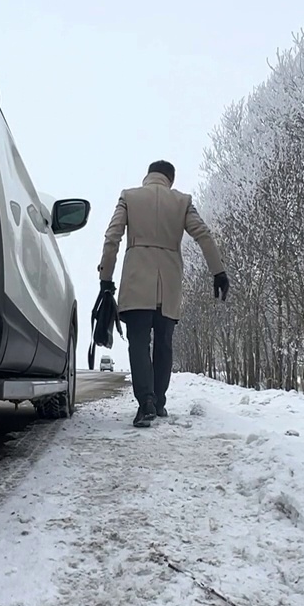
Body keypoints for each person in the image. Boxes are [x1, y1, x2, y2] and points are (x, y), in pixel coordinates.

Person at [98, 160, 229, 427]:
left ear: (148, 175)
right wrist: (218, 272)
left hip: (137, 282)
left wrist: (106, 279)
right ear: (170, 179)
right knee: (164, 343)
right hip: (168, 284)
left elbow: (112, 238)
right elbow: (203, 234)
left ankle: (145, 402)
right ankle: (158, 402)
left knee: (138, 342)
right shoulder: (181, 202)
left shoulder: (129, 197)